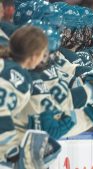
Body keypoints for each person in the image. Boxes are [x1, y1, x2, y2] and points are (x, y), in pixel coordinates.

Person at [0, 25, 60, 169]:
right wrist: (12, 151)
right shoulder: (18, 77)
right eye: (42, 53)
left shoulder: (6, 64)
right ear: (34, 56)